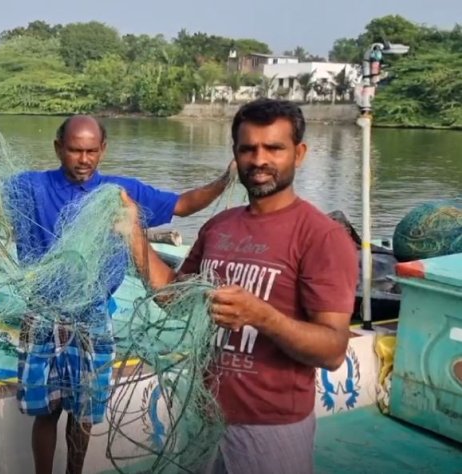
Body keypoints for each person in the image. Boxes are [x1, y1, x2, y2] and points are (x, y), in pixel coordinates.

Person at [124, 99, 358, 474]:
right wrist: (133, 232)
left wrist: (263, 316)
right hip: (202, 416)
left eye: (274, 148)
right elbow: (173, 297)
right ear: (235, 154)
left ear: (299, 154)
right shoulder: (219, 226)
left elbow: (332, 349)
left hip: (271, 429)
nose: (259, 160)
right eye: (248, 148)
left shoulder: (322, 237)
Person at [9, 114, 232, 474]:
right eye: (75, 150)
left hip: (93, 316)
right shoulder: (29, 186)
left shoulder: (120, 193)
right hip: (42, 314)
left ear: (103, 149)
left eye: (92, 151)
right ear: (57, 148)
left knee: (82, 415)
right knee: (45, 411)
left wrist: (225, 180)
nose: (84, 159)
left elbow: (184, 204)